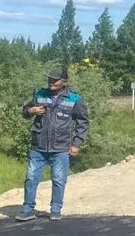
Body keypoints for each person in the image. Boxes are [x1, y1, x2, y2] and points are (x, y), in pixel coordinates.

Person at [14, 68, 89, 222]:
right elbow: (24, 111)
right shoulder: (40, 95)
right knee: (31, 178)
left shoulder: (74, 99)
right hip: (38, 146)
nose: (51, 82)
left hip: (61, 147)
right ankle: (28, 210)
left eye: (55, 80)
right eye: (49, 79)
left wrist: (76, 144)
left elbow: (83, 123)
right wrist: (31, 110)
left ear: (64, 82)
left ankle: (55, 209)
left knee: (59, 179)